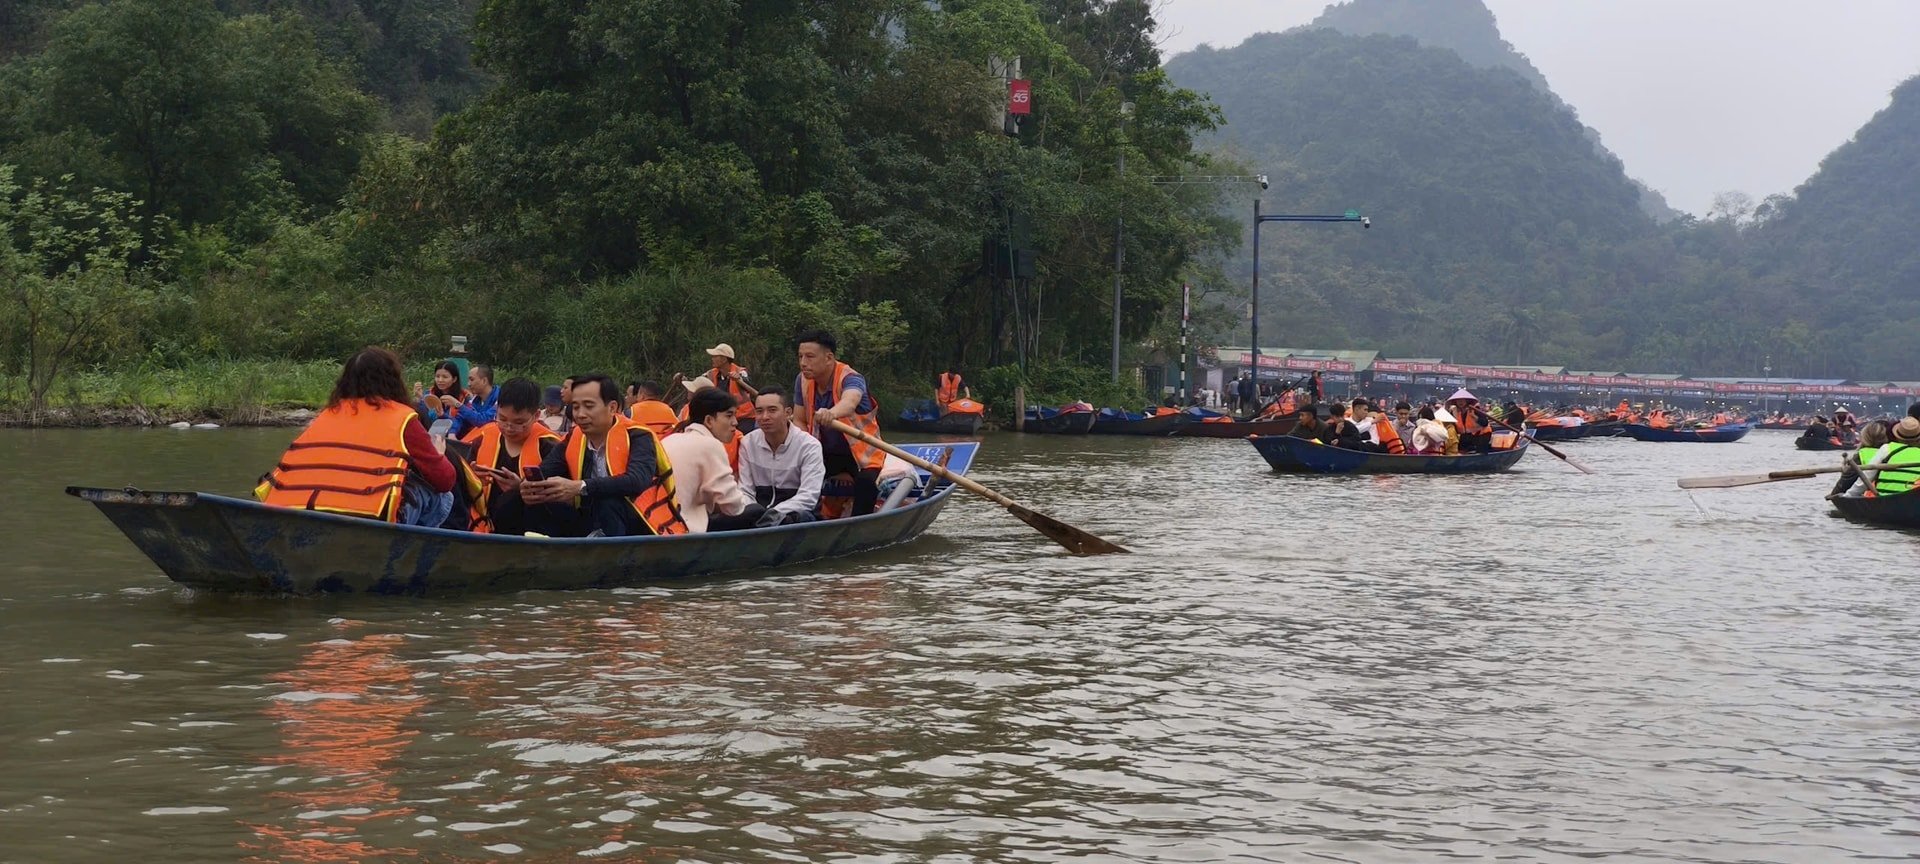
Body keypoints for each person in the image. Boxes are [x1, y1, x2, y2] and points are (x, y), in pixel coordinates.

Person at [261, 347, 454, 526]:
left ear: (346, 380)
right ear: (393, 380)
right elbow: (445, 480)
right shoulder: (403, 417)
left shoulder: (327, 414)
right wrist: (439, 454)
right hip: (369, 519)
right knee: (444, 496)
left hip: (295, 511)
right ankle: (414, 553)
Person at [521, 374, 686, 538]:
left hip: (639, 522)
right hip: (590, 518)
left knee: (609, 502)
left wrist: (579, 487)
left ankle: (610, 561)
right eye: (576, 407)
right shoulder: (575, 437)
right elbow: (546, 469)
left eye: (589, 406)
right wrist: (527, 486)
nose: (580, 414)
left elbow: (637, 480)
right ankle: (534, 554)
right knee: (530, 502)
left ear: (612, 408)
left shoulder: (638, 435)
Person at [792, 329, 884, 517]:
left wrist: (830, 413)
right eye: (800, 356)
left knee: (866, 483)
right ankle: (806, 519)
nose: (803, 363)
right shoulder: (802, 380)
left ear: (829, 357)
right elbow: (799, 420)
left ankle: (859, 527)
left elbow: (850, 401)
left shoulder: (850, 378)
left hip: (861, 458)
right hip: (824, 454)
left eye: (810, 357)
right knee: (792, 473)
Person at [459, 377, 561, 535]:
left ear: (536, 415)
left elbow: (558, 503)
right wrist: (473, 479)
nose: (509, 427)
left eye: (519, 422)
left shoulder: (550, 447)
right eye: (502, 419)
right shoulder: (484, 438)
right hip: (484, 530)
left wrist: (520, 488)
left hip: (528, 533)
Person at [661, 387, 756, 533]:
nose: (735, 422)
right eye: (729, 416)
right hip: (687, 529)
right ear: (709, 420)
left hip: (659, 525)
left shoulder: (670, 440)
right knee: (757, 511)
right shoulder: (710, 445)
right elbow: (733, 506)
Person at [739, 388, 826, 526]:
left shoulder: (809, 446)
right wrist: (754, 513)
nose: (765, 417)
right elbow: (745, 490)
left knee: (799, 517)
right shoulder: (747, 443)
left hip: (794, 515)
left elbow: (808, 496)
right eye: (759, 411)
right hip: (758, 515)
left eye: (772, 410)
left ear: (788, 413)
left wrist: (773, 514)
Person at [1829, 421, 1891, 498]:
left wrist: (1833, 495)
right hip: (1889, 494)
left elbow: (1844, 485)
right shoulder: (1894, 451)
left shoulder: (1861, 455)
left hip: (1869, 497)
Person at [702, 343, 757, 421]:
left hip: (744, 417)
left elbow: (748, 385)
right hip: (725, 417)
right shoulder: (711, 373)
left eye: (715, 356)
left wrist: (739, 379)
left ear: (724, 359)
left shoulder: (740, 372)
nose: (712, 359)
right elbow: (696, 381)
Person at [449, 364, 499, 439]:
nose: (468, 384)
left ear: (484, 381)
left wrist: (458, 405)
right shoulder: (474, 400)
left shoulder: (501, 399)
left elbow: (483, 421)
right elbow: (460, 417)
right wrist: (452, 432)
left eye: (472, 380)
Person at [1447, 389, 1494, 453]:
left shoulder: (1475, 409)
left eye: (1463, 400)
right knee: (1459, 447)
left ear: (1467, 401)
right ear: (1455, 402)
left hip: (1482, 434)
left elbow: (1485, 423)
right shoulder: (1454, 411)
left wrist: (1474, 416)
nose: (1460, 402)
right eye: (1458, 400)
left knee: (1481, 451)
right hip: (1468, 435)